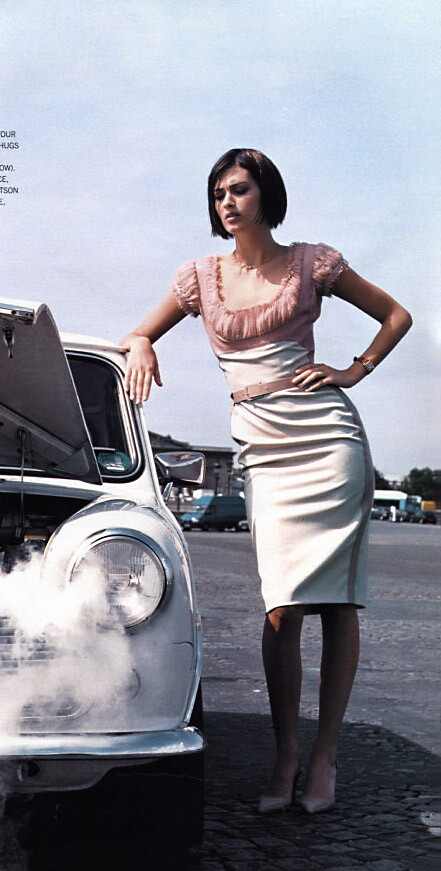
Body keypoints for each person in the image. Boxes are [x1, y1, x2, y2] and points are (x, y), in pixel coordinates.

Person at [119, 148, 412, 814]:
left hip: (328, 440)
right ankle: (285, 756)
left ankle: (324, 756)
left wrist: (354, 369)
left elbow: (396, 315)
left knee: (337, 603)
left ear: (266, 195)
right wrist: (141, 343)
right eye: (218, 192)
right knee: (281, 606)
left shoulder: (313, 264)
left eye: (239, 189)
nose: (227, 201)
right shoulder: (199, 278)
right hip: (263, 448)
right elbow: (137, 332)